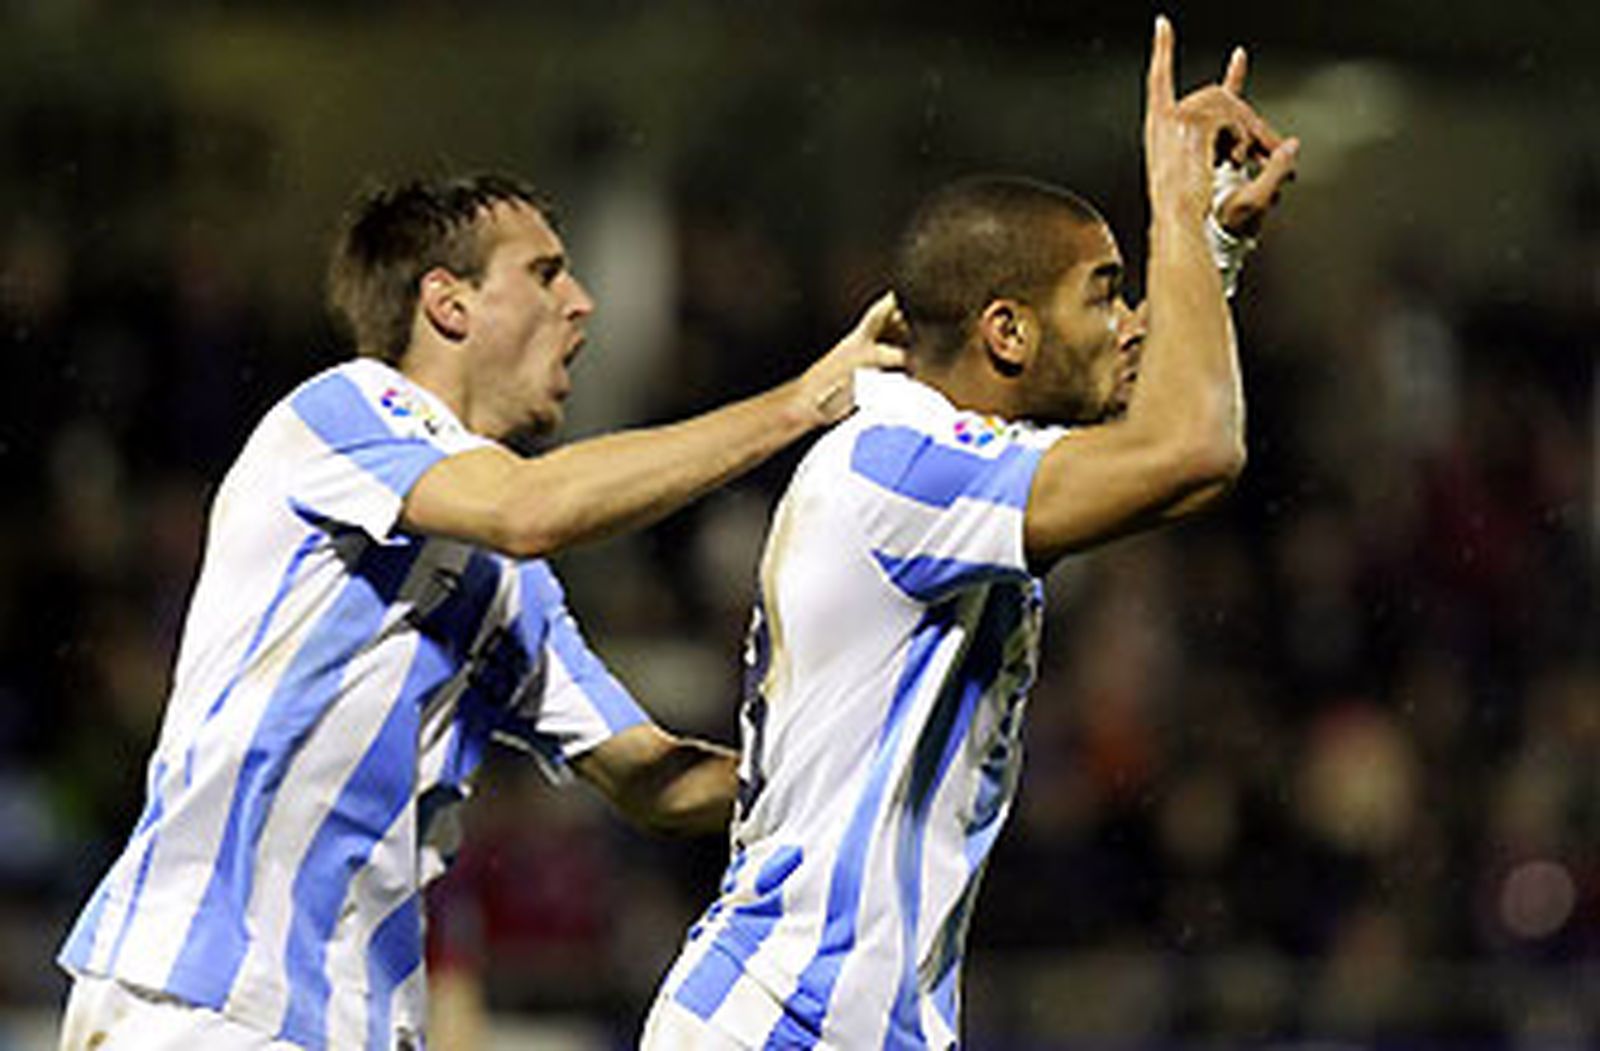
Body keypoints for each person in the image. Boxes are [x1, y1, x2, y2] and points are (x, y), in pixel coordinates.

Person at [55, 173, 905, 1051]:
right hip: (197, 1002)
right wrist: (802, 403)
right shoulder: (340, 412)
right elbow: (532, 508)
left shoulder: (511, 583)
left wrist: (880, 766)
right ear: (448, 303)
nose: (581, 303)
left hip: (354, 1025)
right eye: (545, 274)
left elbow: (658, 781)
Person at [642, 17, 1300, 1050]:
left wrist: (1211, 252)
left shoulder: (936, 468)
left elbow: (1155, 448)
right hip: (785, 1022)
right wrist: (1176, 212)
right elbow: (1189, 452)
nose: (1129, 324)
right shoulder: (899, 468)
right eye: (1103, 293)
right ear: (1006, 330)